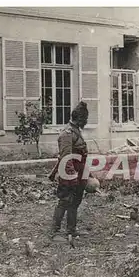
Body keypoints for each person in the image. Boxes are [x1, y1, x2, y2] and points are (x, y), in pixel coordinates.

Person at [48, 101, 89, 242]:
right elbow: (66, 158)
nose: (86, 122)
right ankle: (55, 232)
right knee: (65, 201)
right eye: (85, 119)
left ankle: (71, 230)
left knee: (75, 201)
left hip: (78, 173)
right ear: (79, 119)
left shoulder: (76, 131)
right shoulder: (67, 134)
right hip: (69, 174)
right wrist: (72, 177)